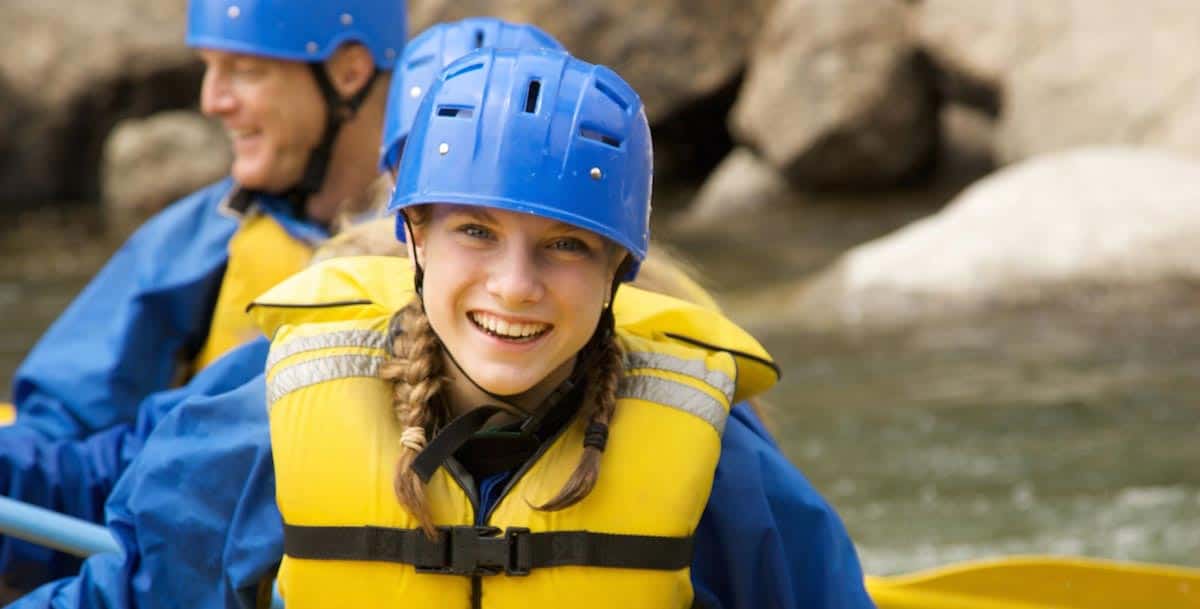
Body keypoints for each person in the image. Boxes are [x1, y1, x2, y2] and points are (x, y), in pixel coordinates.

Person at [252, 47, 874, 608]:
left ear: (618, 271)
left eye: (566, 245)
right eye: (476, 232)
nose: (516, 285)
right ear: (414, 239)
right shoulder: (286, 409)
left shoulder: (719, 460)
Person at [0, 0, 405, 590]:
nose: (212, 100)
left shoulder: (455, 278)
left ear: (347, 73)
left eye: (244, 69)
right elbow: (70, 442)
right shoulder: (198, 240)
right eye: (210, 68)